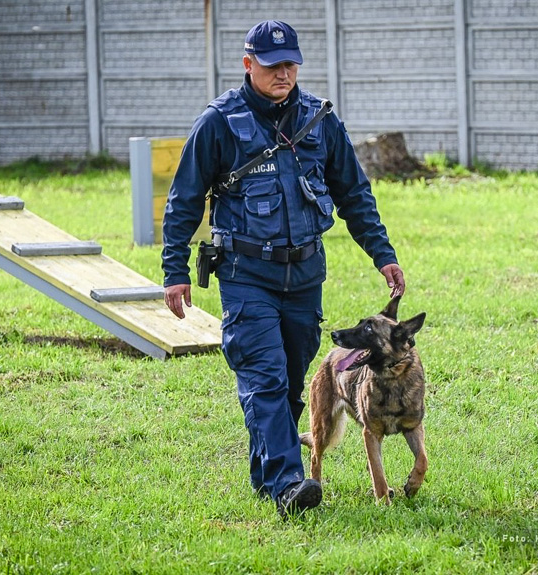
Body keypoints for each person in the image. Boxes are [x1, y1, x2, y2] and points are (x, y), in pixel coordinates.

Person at [161, 20, 405, 518]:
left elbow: (353, 193)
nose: (284, 73)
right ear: (248, 65)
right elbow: (184, 198)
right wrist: (174, 270)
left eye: (291, 64)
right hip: (247, 275)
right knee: (265, 379)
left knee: (291, 382)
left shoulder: (319, 121)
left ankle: (265, 469)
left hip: (305, 276)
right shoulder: (219, 124)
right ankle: (288, 484)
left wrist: (382, 253)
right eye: (273, 65)